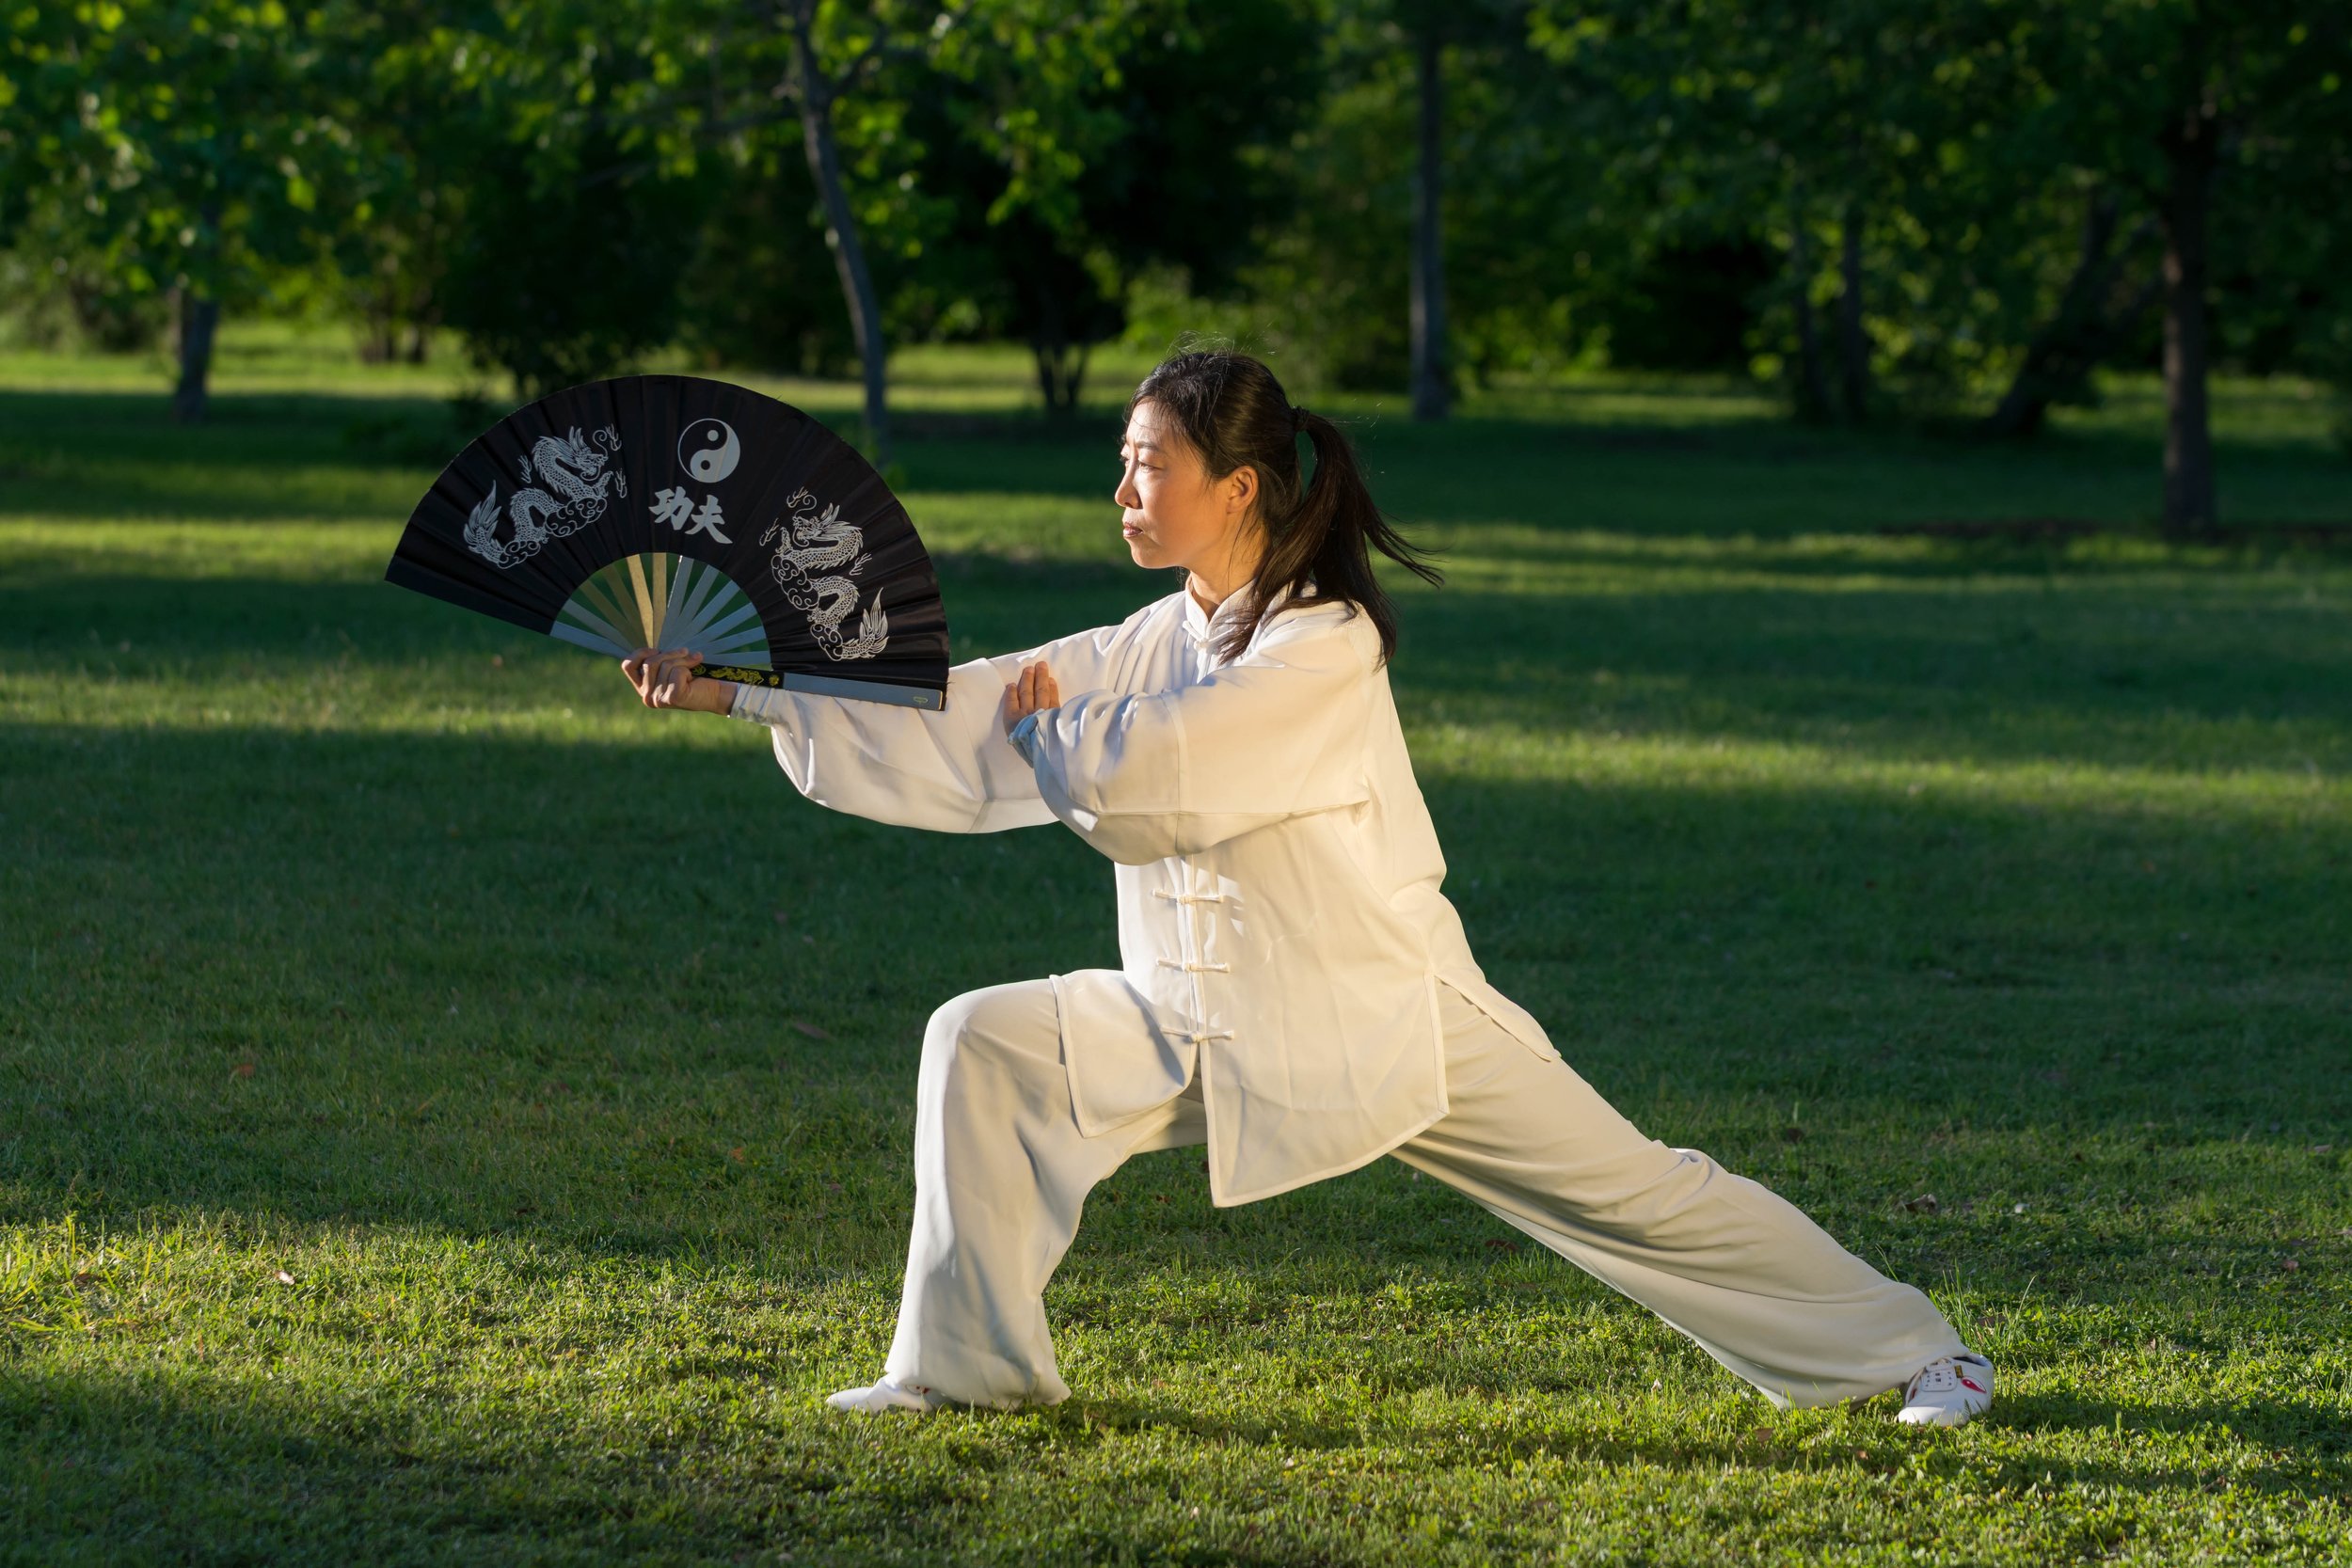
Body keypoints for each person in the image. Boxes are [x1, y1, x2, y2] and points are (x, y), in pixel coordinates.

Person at [619, 347, 1995, 1429]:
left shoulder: (1323, 645)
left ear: (1242, 487)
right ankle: (968, 1367)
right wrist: (747, 690)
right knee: (981, 1042)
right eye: (1122, 463)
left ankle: (1920, 1348)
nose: (1124, 491)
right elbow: (972, 710)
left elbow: (1168, 769)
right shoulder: (1157, 632)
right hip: (1191, 1017)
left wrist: (1052, 734)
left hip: (1374, 1018)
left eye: (1149, 466)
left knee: (1633, 1193)